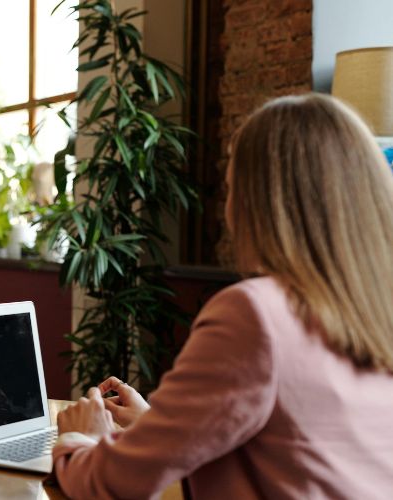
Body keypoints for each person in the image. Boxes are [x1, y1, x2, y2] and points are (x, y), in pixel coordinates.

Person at [52, 94, 393, 499]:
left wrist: (77, 441)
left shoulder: (255, 312)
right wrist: (155, 426)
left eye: (231, 188)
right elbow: (298, 446)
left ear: (258, 203)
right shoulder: (374, 309)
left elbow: (115, 482)